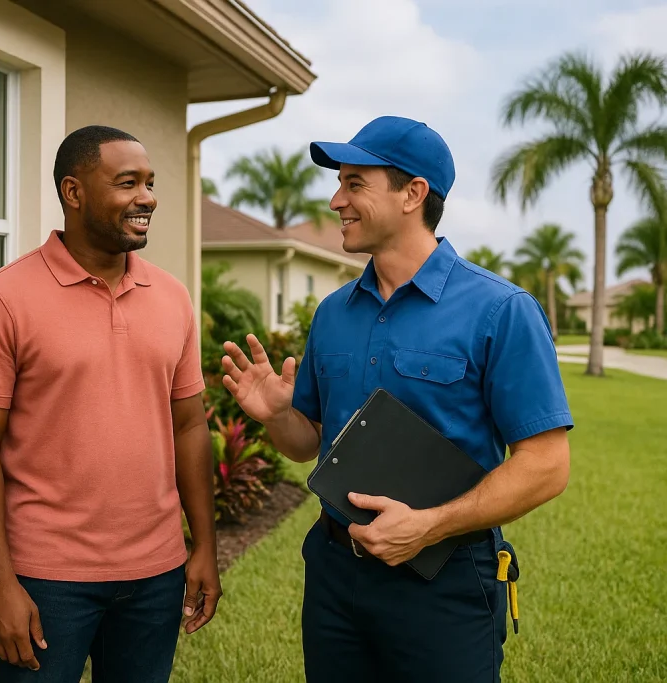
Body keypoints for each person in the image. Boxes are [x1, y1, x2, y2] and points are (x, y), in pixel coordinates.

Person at [220, 115, 573, 682]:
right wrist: (280, 416)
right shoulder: (333, 312)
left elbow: (547, 466)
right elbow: (306, 444)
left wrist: (429, 525)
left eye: (355, 183)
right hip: (335, 575)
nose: (336, 200)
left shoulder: (501, 311)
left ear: (413, 193)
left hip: (446, 581)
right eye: (339, 184)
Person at [0, 125, 221, 683]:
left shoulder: (172, 297)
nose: (146, 197)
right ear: (74, 193)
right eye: (127, 183)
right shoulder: (2, 298)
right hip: (46, 578)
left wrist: (204, 546)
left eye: (149, 183)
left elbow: (190, 427)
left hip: (157, 572)